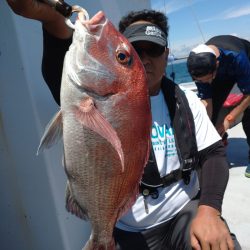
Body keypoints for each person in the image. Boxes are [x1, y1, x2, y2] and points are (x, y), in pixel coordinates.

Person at [6, 1, 240, 249]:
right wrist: (52, 21)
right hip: (126, 230)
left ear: (167, 54)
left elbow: (213, 153)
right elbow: (59, 70)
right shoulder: (87, 96)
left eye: (155, 50)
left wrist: (209, 210)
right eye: (132, 52)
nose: (146, 59)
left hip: (184, 214)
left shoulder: (186, 100)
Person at [187, 36, 250, 178]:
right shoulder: (199, 67)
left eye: (206, 79)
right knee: (213, 116)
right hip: (220, 75)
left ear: (216, 64)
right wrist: (204, 126)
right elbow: (207, 100)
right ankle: (217, 145)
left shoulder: (237, 57)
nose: (204, 82)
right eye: (200, 81)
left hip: (245, 65)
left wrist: (229, 119)